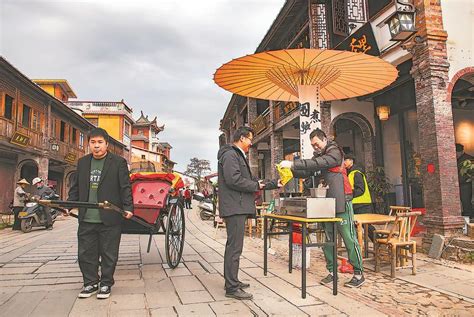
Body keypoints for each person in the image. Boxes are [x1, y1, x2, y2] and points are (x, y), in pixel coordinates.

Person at [280, 128, 365, 288]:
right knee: (328, 238)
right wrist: (291, 170)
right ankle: (332, 272)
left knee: (348, 236)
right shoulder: (318, 155)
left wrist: (293, 162)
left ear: (324, 139)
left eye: (317, 144)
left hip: (342, 198)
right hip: (325, 201)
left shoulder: (335, 151)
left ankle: (359, 273)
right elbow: (310, 168)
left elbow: (322, 163)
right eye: (313, 145)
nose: (315, 147)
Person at [67, 128, 134, 300]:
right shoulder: (82, 162)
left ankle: (105, 283)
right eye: (93, 142)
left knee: (108, 252)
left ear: (106, 144)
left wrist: (128, 207)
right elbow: (76, 186)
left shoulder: (118, 162)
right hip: (87, 217)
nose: (96, 146)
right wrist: (70, 204)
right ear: (89, 143)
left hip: (109, 216)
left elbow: (125, 187)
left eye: (100, 142)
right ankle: (90, 283)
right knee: (85, 253)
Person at [218, 126, 280, 300]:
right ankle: (231, 288)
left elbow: (252, 181)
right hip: (234, 207)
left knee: (234, 246)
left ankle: (232, 280)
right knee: (234, 248)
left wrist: (274, 183)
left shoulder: (236, 155)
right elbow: (234, 180)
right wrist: (255, 186)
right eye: (250, 139)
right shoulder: (231, 154)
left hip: (237, 206)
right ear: (242, 138)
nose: (251, 143)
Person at [344, 154, 375, 241]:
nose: (344, 163)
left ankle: (378, 242)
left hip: (362, 204)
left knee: (367, 226)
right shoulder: (349, 173)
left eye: (345, 160)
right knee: (355, 226)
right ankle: (359, 244)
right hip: (355, 204)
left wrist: (349, 195)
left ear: (351, 161)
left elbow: (360, 189)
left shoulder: (356, 172)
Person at [456, 143, 474, 220]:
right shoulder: (456, 159)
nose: (456, 155)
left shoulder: (469, 159)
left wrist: (468, 179)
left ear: (460, 151)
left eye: (456, 153)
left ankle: (469, 218)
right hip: (458, 184)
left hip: (466, 185)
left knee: (466, 202)